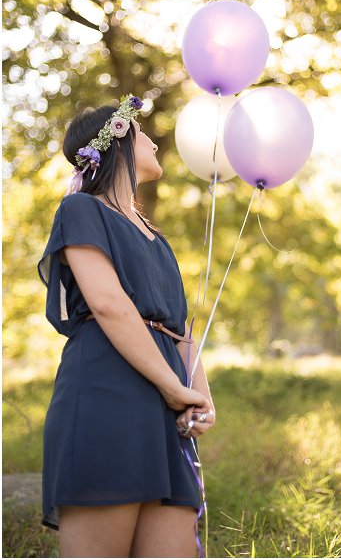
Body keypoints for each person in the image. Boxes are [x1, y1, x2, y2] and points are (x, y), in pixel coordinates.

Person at [37, 94, 217, 557]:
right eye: (143, 135)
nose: (155, 143)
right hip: (104, 397)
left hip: (165, 413)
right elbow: (110, 305)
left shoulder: (157, 239)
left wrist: (199, 394)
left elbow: (181, 330)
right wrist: (173, 388)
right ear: (117, 139)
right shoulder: (80, 210)